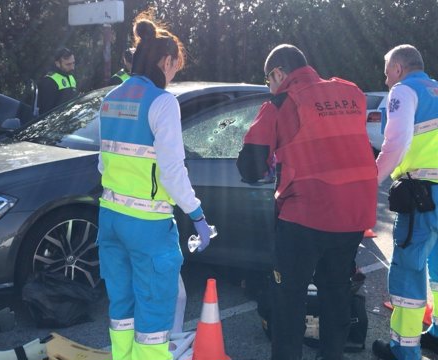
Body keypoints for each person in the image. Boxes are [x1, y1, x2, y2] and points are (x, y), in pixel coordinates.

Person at [237, 44, 377, 360]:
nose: (268, 86)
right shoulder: (351, 93)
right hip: (354, 213)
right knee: (336, 292)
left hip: (305, 216)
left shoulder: (280, 102)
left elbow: (250, 165)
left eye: (267, 79)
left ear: (278, 73)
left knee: (289, 299)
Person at [97, 12, 213, 360]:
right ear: (165, 60)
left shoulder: (110, 99)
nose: (175, 72)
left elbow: (103, 163)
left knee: (122, 307)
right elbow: (172, 171)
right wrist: (198, 215)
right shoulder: (162, 103)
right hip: (148, 226)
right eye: (176, 66)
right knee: (154, 313)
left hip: (111, 218)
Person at [372, 45, 438, 360]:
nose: (385, 78)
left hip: (425, 194)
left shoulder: (403, 91)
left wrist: (372, 180)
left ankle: (403, 350)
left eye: (386, 71)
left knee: (409, 266)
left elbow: (396, 141)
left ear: (397, 68)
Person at [37, 47, 78, 114]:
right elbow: (46, 113)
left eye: (73, 63)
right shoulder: (49, 81)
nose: (72, 67)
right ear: (57, 64)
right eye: (68, 64)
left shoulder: (70, 76)